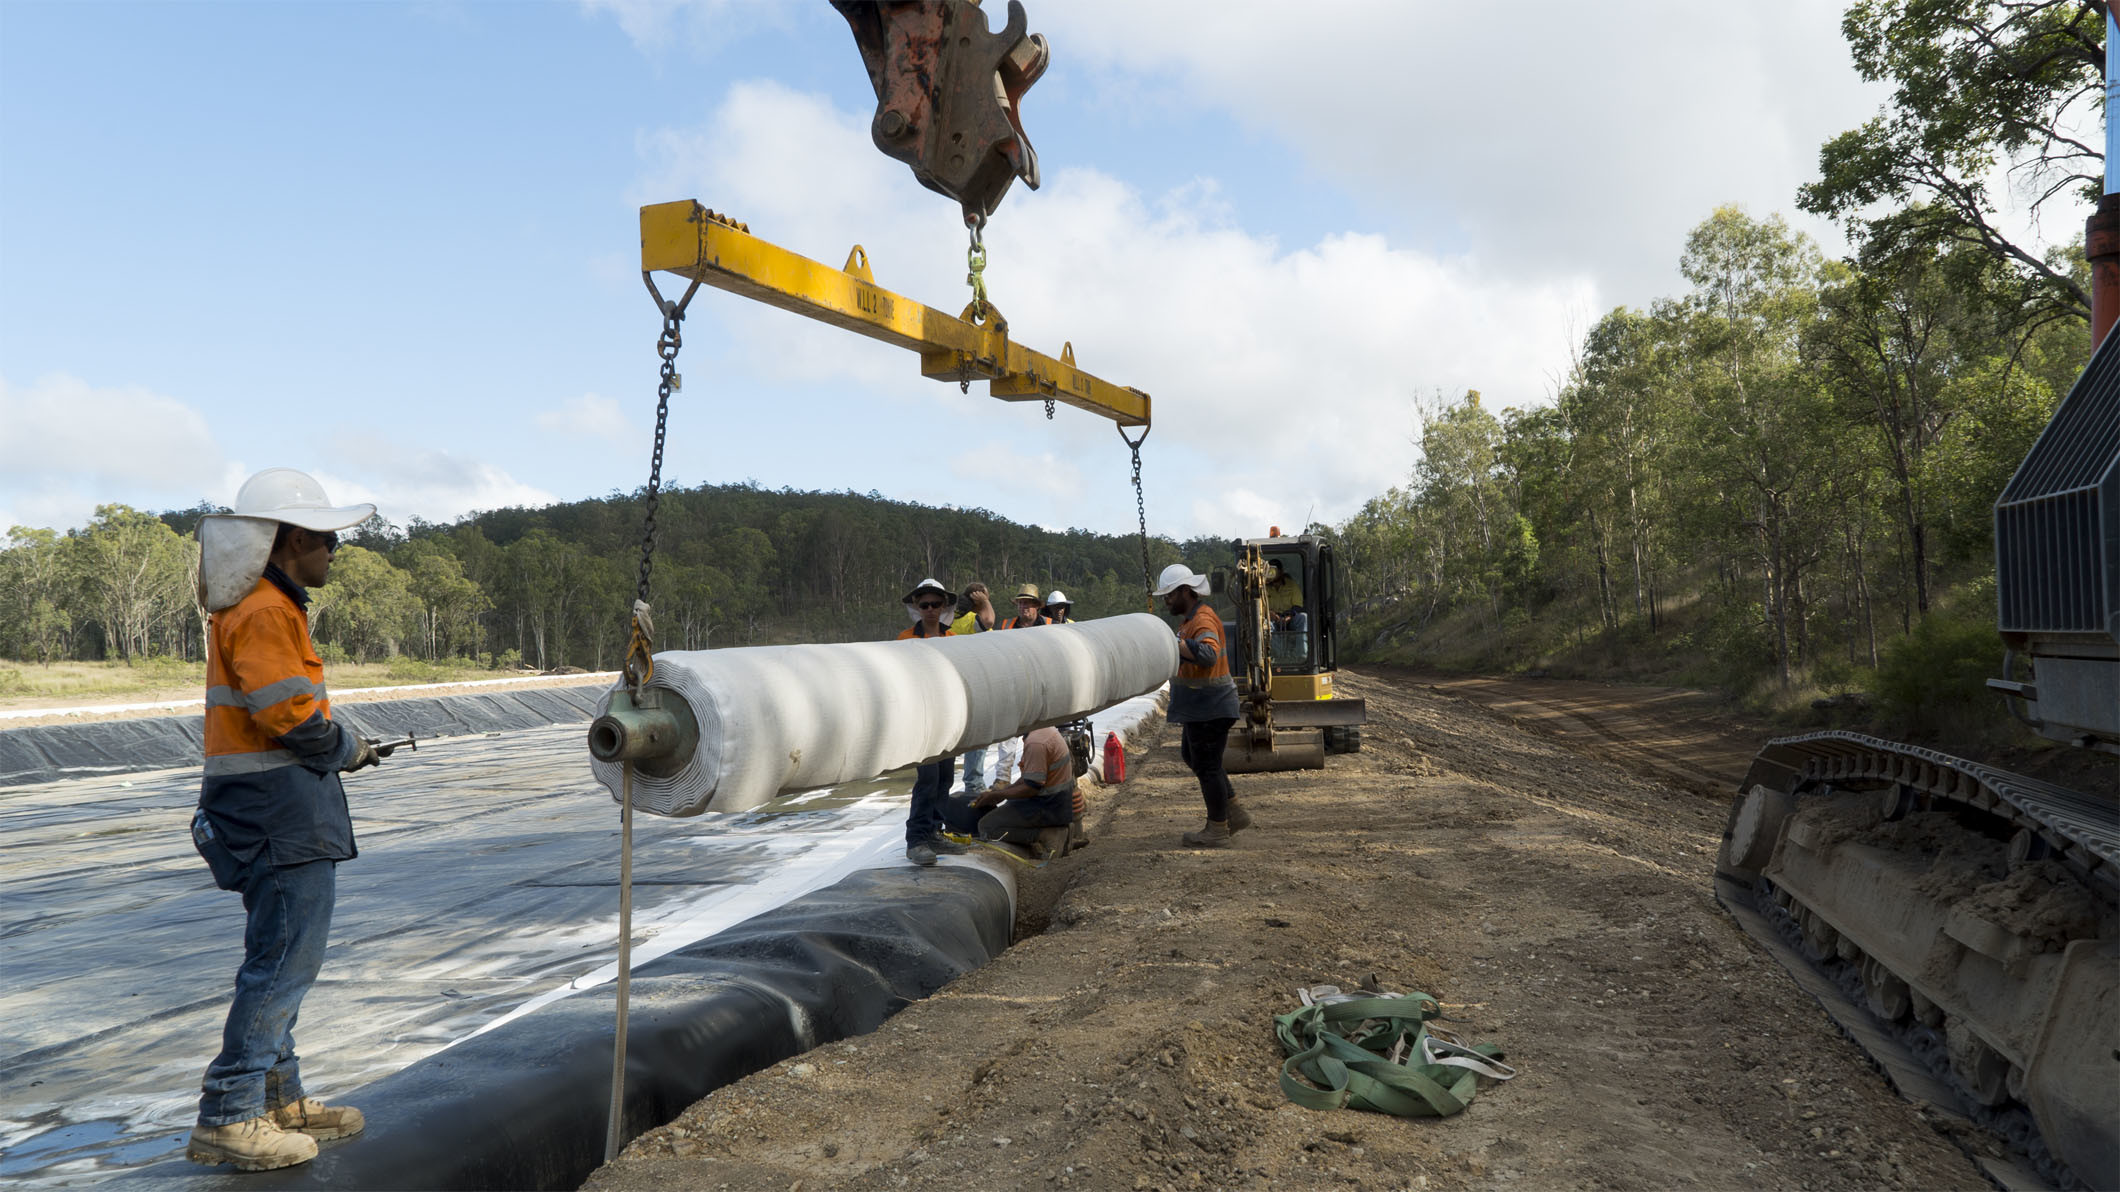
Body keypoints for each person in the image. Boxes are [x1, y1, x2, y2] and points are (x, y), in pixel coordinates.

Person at [186, 469, 385, 1172]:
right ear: (292, 538)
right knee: (283, 962)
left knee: (286, 955)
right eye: (327, 537)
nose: (334, 548)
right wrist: (349, 748)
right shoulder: (266, 609)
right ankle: (230, 1113)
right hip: (275, 812)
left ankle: (279, 1097)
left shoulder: (263, 603)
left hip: (273, 808)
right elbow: (289, 713)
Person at [1152, 562, 1252, 847]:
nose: (1166, 601)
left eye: (1169, 594)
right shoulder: (1188, 622)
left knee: (1207, 766)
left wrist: (1177, 645)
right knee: (1192, 756)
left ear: (1186, 591)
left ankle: (1218, 828)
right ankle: (1233, 810)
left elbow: (1207, 654)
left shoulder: (1203, 620)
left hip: (1211, 707)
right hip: (1203, 708)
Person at [897, 577, 970, 868]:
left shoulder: (952, 640)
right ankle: (916, 840)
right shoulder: (905, 640)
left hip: (949, 717)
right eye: (924, 604)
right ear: (916, 606)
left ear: (943, 607)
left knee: (945, 778)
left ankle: (935, 832)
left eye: (935, 604)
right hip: (923, 718)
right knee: (927, 780)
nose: (930, 609)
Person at [938, 724, 1075, 852]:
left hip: (1048, 806)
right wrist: (1002, 792)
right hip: (1055, 802)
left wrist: (999, 795)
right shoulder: (1044, 730)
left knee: (987, 827)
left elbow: (1031, 787)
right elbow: (1030, 777)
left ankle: (1045, 835)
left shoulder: (1035, 743)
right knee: (1006, 809)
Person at [949, 583, 996, 796]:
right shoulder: (969, 621)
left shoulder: (950, 619)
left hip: (956, 685)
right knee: (978, 738)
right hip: (972, 685)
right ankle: (973, 785)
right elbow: (988, 621)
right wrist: (985, 602)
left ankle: (950, 786)